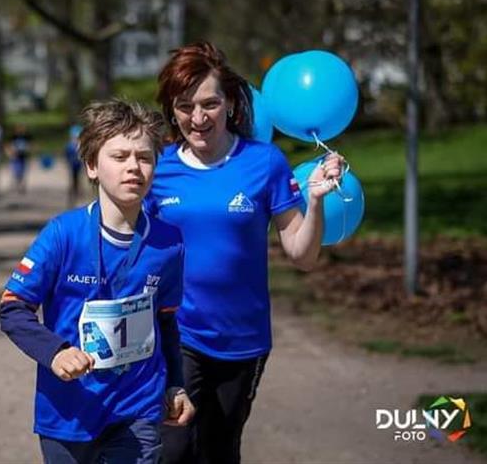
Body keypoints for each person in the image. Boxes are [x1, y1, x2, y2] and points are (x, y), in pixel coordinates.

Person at [144, 41, 345, 464]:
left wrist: (315, 201)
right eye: (185, 107)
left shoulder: (264, 162)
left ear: (231, 103)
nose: (198, 118)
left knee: (219, 450)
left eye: (210, 104)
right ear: (172, 110)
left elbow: (302, 255)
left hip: (242, 338)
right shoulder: (157, 168)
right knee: (173, 450)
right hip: (176, 334)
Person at [0, 100, 195, 464]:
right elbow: (12, 308)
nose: (133, 167)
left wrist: (175, 384)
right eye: (119, 157)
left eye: (144, 157)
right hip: (69, 411)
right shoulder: (63, 234)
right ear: (91, 166)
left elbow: (166, 321)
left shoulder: (169, 243)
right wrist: (55, 352)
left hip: (138, 407)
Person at [6, 123, 33, 194]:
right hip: (15, 156)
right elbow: (7, 146)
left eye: (22, 128)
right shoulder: (13, 137)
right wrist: (10, 153)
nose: (20, 130)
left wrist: (29, 149)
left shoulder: (27, 137)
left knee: (23, 172)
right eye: (19, 128)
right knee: (17, 172)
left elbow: (31, 145)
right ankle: (19, 184)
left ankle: (21, 185)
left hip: (24, 156)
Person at [64, 124, 83, 206]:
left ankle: (77, 192)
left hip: (78, 165)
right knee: (73, 179)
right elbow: (66, 155)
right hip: (72, 165)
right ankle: (73, 194)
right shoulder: (70, 146)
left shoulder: (80, 146)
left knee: (78, 179)